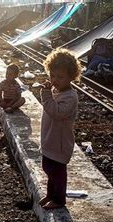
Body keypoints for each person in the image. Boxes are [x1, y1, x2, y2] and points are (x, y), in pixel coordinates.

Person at [39, 48, 82, 210]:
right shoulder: (55, 90)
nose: (55, 80)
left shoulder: (70, 97)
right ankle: (51, 195)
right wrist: (49, 93)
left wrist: (46, 95)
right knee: (48, 168)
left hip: (60, 143)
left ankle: (59, 199)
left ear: (71, 77)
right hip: (50, 139)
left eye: (60, 77)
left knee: (57, 172)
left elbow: (56, 113)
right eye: (52, 75)